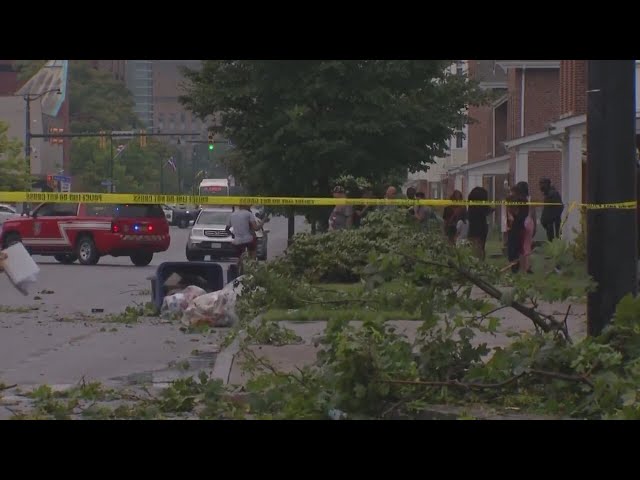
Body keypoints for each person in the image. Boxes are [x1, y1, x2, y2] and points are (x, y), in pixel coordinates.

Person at [515, 181, 535, 273]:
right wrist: (535, 226)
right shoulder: (530, 199)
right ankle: (528, 265)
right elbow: (533, 214)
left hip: (521, 221)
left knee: (521, 246)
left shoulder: (518, 199)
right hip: (530, 221)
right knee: (528, 244)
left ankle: (523, 267)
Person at [467, 186, 492, 260]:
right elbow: (488, 211)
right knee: (480, 246)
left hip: (475, 227)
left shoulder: (472, 205)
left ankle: (477, 261)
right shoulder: (482, 206)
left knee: (475, 246)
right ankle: (480, 261)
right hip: (481, 227)